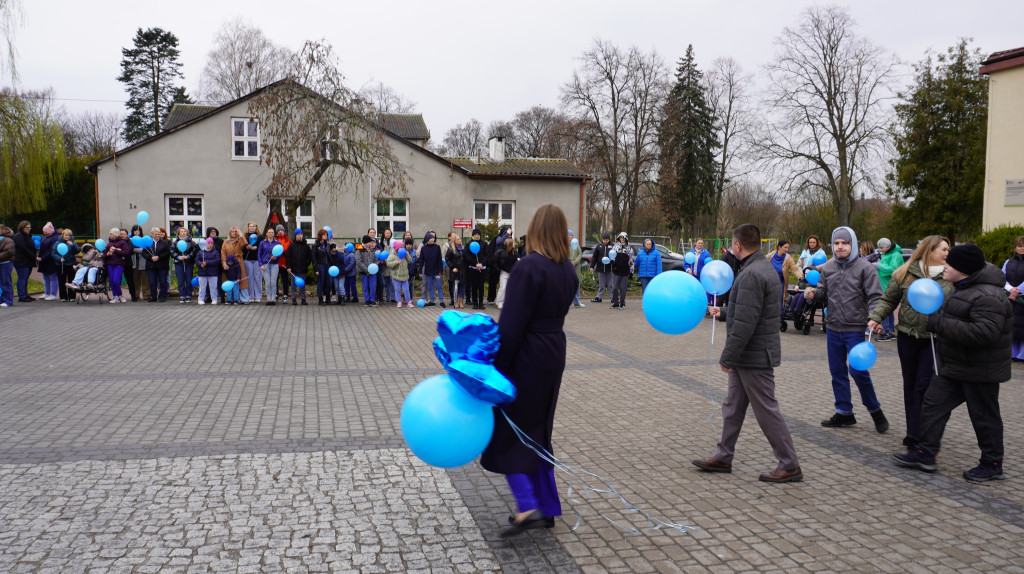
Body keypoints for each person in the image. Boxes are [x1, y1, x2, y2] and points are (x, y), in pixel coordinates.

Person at [481, 204, 578, 537]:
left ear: (535, 229)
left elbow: (511, 324)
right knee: (538, 430)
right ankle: (547, 506)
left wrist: (497, 368)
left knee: (511, 430)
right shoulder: (568, 268)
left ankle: (528, 506)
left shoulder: (528, 267)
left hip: (526, 354)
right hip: (553, 350)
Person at [694, 224, 802, 483]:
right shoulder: (759, 268)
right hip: (748, 355)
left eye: (732, 244)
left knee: (766, 410)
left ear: (738, 246)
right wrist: (727, 312)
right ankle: (723, 456)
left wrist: (726, 357)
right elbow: (751, 311)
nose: (731, 248)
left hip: (753, 356)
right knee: (732, 407)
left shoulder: (752, 273)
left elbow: (746, 324)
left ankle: (789, 464)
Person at [893, 244, 1011, 482]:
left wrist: (938, 324)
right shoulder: (963, 287)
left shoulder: (989, 296)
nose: (945, 265)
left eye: (950, 263)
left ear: (964, 269)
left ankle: (992, 463)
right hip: (954, 365)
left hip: (981, 369)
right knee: (932, 405)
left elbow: (984, 333)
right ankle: (926, 453)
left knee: (984, 417)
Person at [868, 235, 952, 448]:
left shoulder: (950, 276)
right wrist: (875, 317)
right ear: (929, 250)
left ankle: (920, 434)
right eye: (943, 249)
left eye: (948, 250)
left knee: (923, 386)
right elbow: (889, 299)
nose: (946, 253)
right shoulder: (906, 273)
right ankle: (912, 430)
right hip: (906, 337)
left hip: (933, 339)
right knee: (910, 385)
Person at [805, 227, 889, 432]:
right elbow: (823, 292)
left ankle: (875, 410)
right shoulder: (829, 268)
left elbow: (875, 297)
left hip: (856, 328)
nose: (840, 247)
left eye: (844, 243)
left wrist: (874, 318)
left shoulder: (865, 268)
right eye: (836, 243)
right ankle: (844, 413)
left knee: (858, 371)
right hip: (833, 327)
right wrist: (813, 293)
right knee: (837, 371)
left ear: (852, 244)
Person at [787, 235, 827, 315]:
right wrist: (802, 273)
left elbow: (825, 265)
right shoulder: (804, 252)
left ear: (817, 243)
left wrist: (816, 269)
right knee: (800, 291)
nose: (812, 244)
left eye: (813, 242)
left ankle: (801, 310)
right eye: (810, 242)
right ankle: (794, 309)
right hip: (805, 275)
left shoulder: (821, 253)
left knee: (810, 294)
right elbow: (798, 265)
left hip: (816, 277)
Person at [1001, 235, 1024, 361]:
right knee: (1012, 326)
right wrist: (1010, 289)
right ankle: (1012, 354)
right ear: (1015, 248)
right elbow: (1002, 277)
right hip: (1011, 299)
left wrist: (1018, 290)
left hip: (1022, 299)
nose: (1022, 248)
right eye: (1020, 246)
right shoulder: (1008, 262)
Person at [876, 238, 903, 341]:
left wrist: (879, 266)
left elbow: (893, 269)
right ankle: (889, 330)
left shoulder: (895, 255)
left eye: (881, 248)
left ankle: (886, 331)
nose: (880, 250)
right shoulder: (889, 254)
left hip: (889, 285)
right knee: (889, 308)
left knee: (885, 307)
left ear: (888, 247)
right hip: (885, 284)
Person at [767, 240, 798, 314]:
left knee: (780, 298)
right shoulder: (771, 255)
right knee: (768, 298)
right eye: (785, 247)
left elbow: (794, 270)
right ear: (779, 247)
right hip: (769, 281)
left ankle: (780, 315)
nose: (787, 250)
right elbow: (761, 262)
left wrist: (801, 277)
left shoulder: (788, 258)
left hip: (781, 281)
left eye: (788, 248)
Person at [103, 227, 131, 303]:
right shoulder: (109, 244)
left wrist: (115, 250)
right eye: (110, 234)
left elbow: (126, 252)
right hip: (110, 264)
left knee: (116, 280)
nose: (110, 235)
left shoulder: (122, 243)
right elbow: (104, 256)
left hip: (119, 264)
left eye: (111, 234)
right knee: (112, 281)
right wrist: (108, 254)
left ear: (115, 235)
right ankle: (115, 296)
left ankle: (120, 295)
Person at [220, 227, 248, 304]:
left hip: (238, 262)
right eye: (233, 231)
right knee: (229, 281)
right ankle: (230, 299)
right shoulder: (225, 242)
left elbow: (245, 243)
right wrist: (224, 263)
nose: (234, 233)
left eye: (236, 231)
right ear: (230, 233)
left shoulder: (239, 241)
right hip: (228, 263)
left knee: (241, 280)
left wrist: (241, 234)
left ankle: (243, 299)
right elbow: (223, 253)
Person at [171, 228, 198, 304]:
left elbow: (194, 251)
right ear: (179, 233)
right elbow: (172, 251)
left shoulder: (192, 242)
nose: (183, 233)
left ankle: (189, 295)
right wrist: (178, 257)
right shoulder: (175, 242)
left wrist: (188, 256)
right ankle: (182, 296)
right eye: (181, 231)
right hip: (178, 263)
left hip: (188, 262)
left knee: (189, 279)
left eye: (185, 231)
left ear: (187, 233)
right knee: (180, 280)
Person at [53, 229, 80, 302]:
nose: (67, 237)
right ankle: (63, 296)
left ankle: (72, 296)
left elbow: (77, 251)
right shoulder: (57, 243)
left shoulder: (73, 242)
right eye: (66, 235)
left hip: (71, 264)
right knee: (62, 280)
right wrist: (59, 259)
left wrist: (73, 245)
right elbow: (54, 253)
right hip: (61, 264)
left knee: (71, 281)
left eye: (69, 235)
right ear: (62, 235)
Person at [609, 232, 635, 309]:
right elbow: (612, 256)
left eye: (624, 238)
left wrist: (631, 272)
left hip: (625, 271)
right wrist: (612, 262)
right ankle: (616, 302)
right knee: (614, 288)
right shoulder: (615, 247)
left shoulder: (629, 248)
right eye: (621, 238)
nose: (622, 239)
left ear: (626, 239)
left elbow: (631, 261)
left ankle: (622, 303)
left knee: (623, 288)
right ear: (619, 238)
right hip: (616, 270)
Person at [12, 221, 36, 302]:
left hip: (28, 261)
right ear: (22, 227)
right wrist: (34, 257)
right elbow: (23, 249)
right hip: (21, 261)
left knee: (25, 278)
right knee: (22, 278)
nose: (29, 229)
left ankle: (25, 294)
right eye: (27, 227)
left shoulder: (27, 235)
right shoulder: (18, 236)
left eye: (29, 227)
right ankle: (22, 296)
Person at [285, 228, 311, 305]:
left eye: (301, 234)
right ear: (296, 236)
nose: (300, 236)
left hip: (303, 269)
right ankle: (293, 298)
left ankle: (303, 298)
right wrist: (289, 267)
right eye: (298, 234)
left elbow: (309, 257)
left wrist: (306, 264)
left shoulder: (306, 246)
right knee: (293, 285)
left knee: (302, 285)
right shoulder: (292, 246)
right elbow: (288, 257)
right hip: (294, 269)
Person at [145, 227, 171, 302]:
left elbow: (167, 253)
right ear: (152, 234)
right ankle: (153, 296)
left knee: (163, 281)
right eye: (155, 234)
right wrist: (151, 257)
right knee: (152, 282)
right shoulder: (148, 243)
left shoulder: (164, 243)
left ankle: (163, 296)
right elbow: (144, 253)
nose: (157, 235)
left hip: (162, 266)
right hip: (151, 266)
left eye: (158, 234)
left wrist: (158, 257)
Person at [488, 225, 512, 305]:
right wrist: (506, 234)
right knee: (493, 281)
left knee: (504, 284)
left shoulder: (509, 238)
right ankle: (491, 298)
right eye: (507, 232)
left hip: (504, 264)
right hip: (496, 263)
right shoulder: (498, 238)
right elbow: (499, 241)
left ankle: (502, 300)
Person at [257, 227, 282, 306]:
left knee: (273, 282)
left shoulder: (277, 243)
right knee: (267, 282)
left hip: (274, 264)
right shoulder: (262, 243)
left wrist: (276, 257)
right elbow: (259, 254)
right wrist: (260, 265)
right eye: (269, 232)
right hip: (265, 265)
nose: (271, 234)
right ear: (266, 234)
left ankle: (273, 299)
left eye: (272, 232)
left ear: (274, 234)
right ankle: (269, 299)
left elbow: (280, 252)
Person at [418, 232, 443, 306]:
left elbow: (439, 259)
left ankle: (441, 300)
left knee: (439, 286)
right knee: (430, 286)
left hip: (436, 270)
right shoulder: (423, 248)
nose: (432, 240)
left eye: (433, 238)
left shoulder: (437, 247)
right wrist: (420, 271)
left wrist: (440, 270)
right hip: (428, 271)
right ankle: (432, 300)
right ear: (427, 239)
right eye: (430, 238)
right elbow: (421, 260)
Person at [465, 228, 487, 310]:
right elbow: (467, 256)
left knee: (481, 286)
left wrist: (482, 264)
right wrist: (475, 264)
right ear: (473, 235)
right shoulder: (469, 244)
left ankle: (481, 303)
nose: (476, 236)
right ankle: (475, 303)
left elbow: (486, 256)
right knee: (474, 285)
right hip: (473, 268)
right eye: (475, 235)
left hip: (482, 267)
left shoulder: (484, 244)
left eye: (478, 235)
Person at [386, 241, 414, 307]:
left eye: (402, 247)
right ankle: (399, 302)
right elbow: (389, 264)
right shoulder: (392, 255)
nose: (402, 248)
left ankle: (409, 302)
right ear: (397, 248)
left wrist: (407, 254)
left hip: (404, 276)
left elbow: (410, 261)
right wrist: (396, 262)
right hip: (396, 276)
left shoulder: (404, 254)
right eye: (401, 247)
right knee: (397, 290)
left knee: (406, 290)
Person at [495, 236, 519, 310]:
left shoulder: (515, 252)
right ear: (509, 245)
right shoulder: (500, 252)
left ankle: (508, 302)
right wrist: (499, 269)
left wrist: (518, 260)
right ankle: (499, 302)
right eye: (513, 243)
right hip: (504, 272)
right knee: (503, 287)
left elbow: (517, 259)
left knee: (511, 288)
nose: (514, 244)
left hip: (512, 273)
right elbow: (494, 262)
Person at [195, 238, 221, 305]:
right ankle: (200, 299)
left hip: (213, 273)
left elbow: (216, 261)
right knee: (202, 287)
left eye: (211, 243)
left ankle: (214, 299)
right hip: (202, 273)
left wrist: (207, 263)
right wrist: (200, 264)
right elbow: (197, 260)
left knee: (213, 287)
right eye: (208, 243)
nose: (210, 245)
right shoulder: (200, 252)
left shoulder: (215, 252)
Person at [37, 222, 59, 300]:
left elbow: (51, 250)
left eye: (45, 231)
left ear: (50, 231)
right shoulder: (45, 237)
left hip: (51, 261)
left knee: (53, 277)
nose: (44, 233)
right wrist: (39, 257)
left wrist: (42, 258)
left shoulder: (55, 238)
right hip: (44, 261)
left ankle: (53, 294)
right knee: (45, 277)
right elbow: (42, 248)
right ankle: (47, 293)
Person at [590, 232, 614, 303]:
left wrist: (613, 263)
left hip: (610, 269)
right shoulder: (598, 246)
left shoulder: (612, 246)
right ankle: (599, 297)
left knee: (610, 285)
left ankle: (613, 297)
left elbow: (615, 256)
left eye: (607, 240)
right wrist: (592, 266)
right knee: (601, 285)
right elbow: (594, 257)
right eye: (604, 240)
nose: (605, 241)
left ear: (609, 240)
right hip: (600, 269)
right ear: (602, 239)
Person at [242, 222, 262, 304]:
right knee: (249, 278)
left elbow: (262, 245)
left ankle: (258, 296)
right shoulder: (245, 237)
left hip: (257, 259)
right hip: (247, 260)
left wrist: (256, 247)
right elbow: (242, 246)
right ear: (248, 227)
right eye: (250, 226)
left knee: (257, 278)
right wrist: (247, 247)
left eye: (254, 226)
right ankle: (250, 296)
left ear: (256, 227)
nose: (252, 227)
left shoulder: (260, 236)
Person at [129, 225, 150, 301]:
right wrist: (139, 250)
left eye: (138, 230)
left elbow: (146, 250)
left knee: (145, 279)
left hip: (143, 261)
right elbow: (130, 250)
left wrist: (136, 249)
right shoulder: (130, 240)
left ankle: (146, 295)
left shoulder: (144, 239)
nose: (137, 232)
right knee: (135, 279)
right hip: (134, 262)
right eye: (135, 230)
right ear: (133, 231)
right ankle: (136, 295)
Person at [356, 235, 378, 306]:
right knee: (365, 286)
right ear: (366, 242)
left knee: (373, 286)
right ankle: (367, 300)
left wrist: (374, 268)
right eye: (369, 242)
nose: (371, 244)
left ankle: (372, 300)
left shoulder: (372, 250)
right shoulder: (359, 250)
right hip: (364, 272)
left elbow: (376, 260)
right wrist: (367, 270)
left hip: (372, 272)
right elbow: (359, 262)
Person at [312, 229, 332, 305]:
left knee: (329, 282)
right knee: (321, 282)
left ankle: (327, 298)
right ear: (320, 235)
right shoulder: (315, 245)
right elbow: (314, 258)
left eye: (326, 235)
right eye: (324, 234)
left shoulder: (327, 244)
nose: (325, 236)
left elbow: (329, 255)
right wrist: (316, 269)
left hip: (328, 265)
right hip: (320, 265)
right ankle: (320, 299)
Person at [445, 234, 466, 308]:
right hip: (455, 271)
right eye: (458, 239)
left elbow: (465, 259)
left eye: (460, 239)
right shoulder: (451, 249)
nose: (459, 240)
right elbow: (447, 259)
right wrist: (452, 267)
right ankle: (456, 302)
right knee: (455, 287)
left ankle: (461, 302)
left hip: (462, 271)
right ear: (454, 241)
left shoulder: (463, 248)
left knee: (462, 287)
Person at [377, 227, 395, 303]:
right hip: (384, 265)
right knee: (385, 282)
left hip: (391, 264)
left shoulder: (393, 242)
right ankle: (387, 297)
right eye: (386, 233)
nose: (388, 234)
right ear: (384, 234)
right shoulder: (381, 243)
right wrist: (384, 260)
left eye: (389, 233)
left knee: (392, 282)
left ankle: (393, 298)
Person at [0, 224, 16, 307]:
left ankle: (8, 300)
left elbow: (10, 252)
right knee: (1, 282)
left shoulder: (8, 240)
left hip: (5, 263)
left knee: (6, 281)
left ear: (2, 230)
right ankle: (1, 299)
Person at [568, 231, 584, 308]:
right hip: (567, 267)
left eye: (570, 235)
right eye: (568, 235)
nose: (569, 236)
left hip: (576, 267)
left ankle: (577, 302)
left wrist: (575, 262)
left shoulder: (576, 245)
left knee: (577, 284)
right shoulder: (563, 245)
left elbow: (580, 254)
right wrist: (568, 261)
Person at [276, 225, 291, 302]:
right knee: (275, 279)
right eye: (279, 230)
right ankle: (276, 294)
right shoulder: (275, 240)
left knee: (285, 280)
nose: (280, 231)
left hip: (284, 264)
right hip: (276, 263)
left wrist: (284, 251)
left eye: (281, 230)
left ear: (284, 231)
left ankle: (285, 294)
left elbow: (290, 252)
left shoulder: (288, 240)